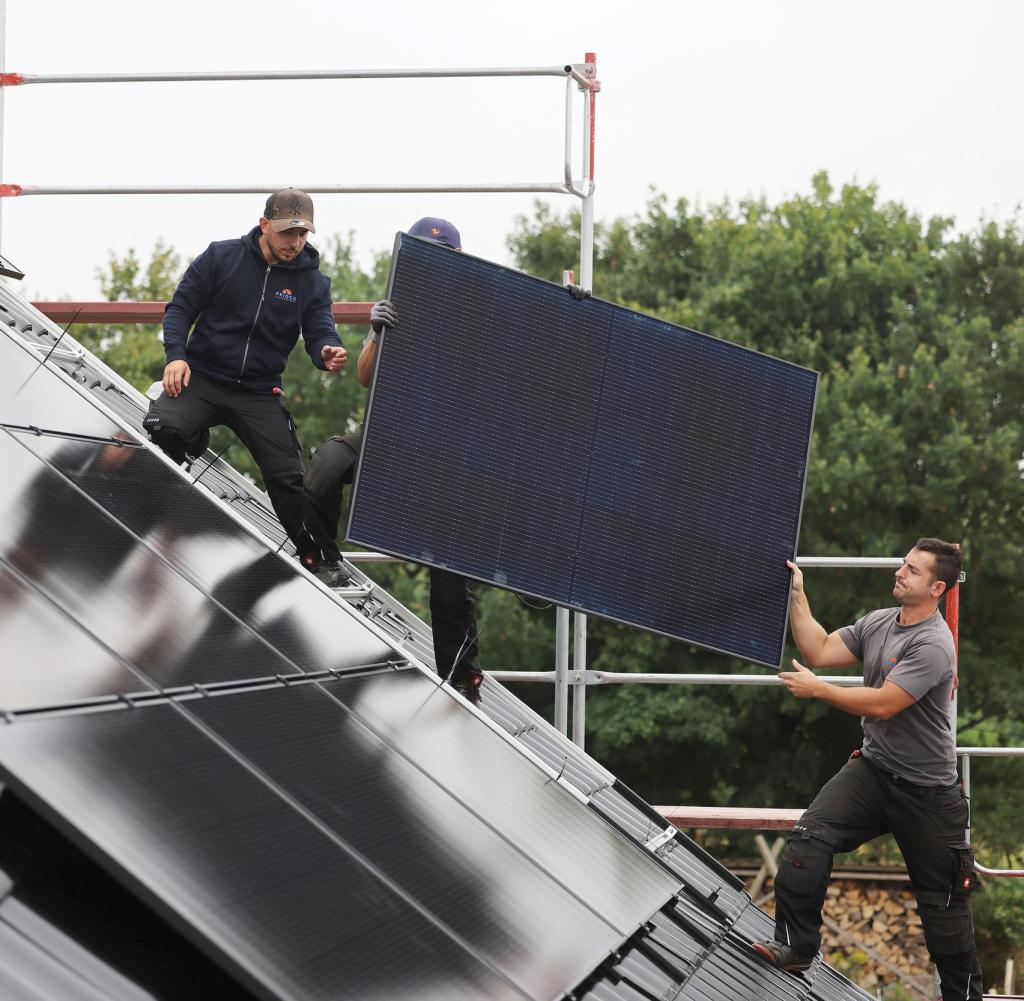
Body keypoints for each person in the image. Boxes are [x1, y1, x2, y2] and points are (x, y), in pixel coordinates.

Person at [752, 538, 982, 999]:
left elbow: (883, 704)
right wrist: (797, 593)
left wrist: (819, 691)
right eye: (903, 563)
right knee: (806, 844)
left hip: (929, 797)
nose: (900, 572)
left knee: (944, 914)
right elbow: (817, 649)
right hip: (874, 773)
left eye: (913, 571)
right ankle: (797, 949)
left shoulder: (935, 644)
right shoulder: (879, 623)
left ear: (937, 587)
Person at [304, 217, 486, 701]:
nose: (434, 263)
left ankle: (463, 678)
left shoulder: (482, 311)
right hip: (390, 436)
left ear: (458, 258)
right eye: (426, 253)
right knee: (325, 468)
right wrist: (376, 331)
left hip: (447, 452)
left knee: (448, 580)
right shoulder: (398, 303)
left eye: (442, 253)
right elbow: (365, 377)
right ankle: (322, 560)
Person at [144, 188, 349, 584]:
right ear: (265, 224)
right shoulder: (221, 257)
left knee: (289, 477)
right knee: (164, 429)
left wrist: (328, 350)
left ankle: (318, 557)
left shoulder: (312, 282)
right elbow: (181, 308)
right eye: (289, 233)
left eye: (303, 235)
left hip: (259, 391)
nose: (296, 243)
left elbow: (321, 330)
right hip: (202, 377)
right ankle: (192, 436)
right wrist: (176, 356)